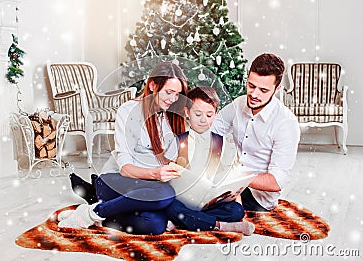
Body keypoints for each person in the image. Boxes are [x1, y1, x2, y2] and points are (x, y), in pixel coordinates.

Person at [57, 61, 188, 235]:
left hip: (147, 188)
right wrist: (156, 174)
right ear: (153, 85)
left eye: (177, 94)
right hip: (116, 180)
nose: (173, 99)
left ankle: (98, 207)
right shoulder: (128, 111)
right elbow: (126, 169)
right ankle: (92, 213)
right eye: (169, 92)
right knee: (164, 192)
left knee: (154, 225)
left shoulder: (170, 116)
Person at [211, 53, 300, 211]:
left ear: (277, 89)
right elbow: (213, 130)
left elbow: (276, 182)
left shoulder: (286, 123)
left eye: (263, 90)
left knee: (201, 203)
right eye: (251, 86)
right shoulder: (239, 104)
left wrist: (236, 176)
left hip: (258, 197)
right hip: (232, 183)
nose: (254, 94)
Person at [165, 86, 255, 235]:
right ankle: (223, 226)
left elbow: (227, 175)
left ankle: (187, 221)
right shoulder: (176, 142)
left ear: (216, 115)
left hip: (210, 203)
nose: (203, 120)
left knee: (236, 211)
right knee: (169, 206)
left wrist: (231, 195)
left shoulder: (223, 143)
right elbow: (168, 177)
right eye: (198, 114)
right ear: (187, 113)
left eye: (209, 115)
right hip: (183, 201)